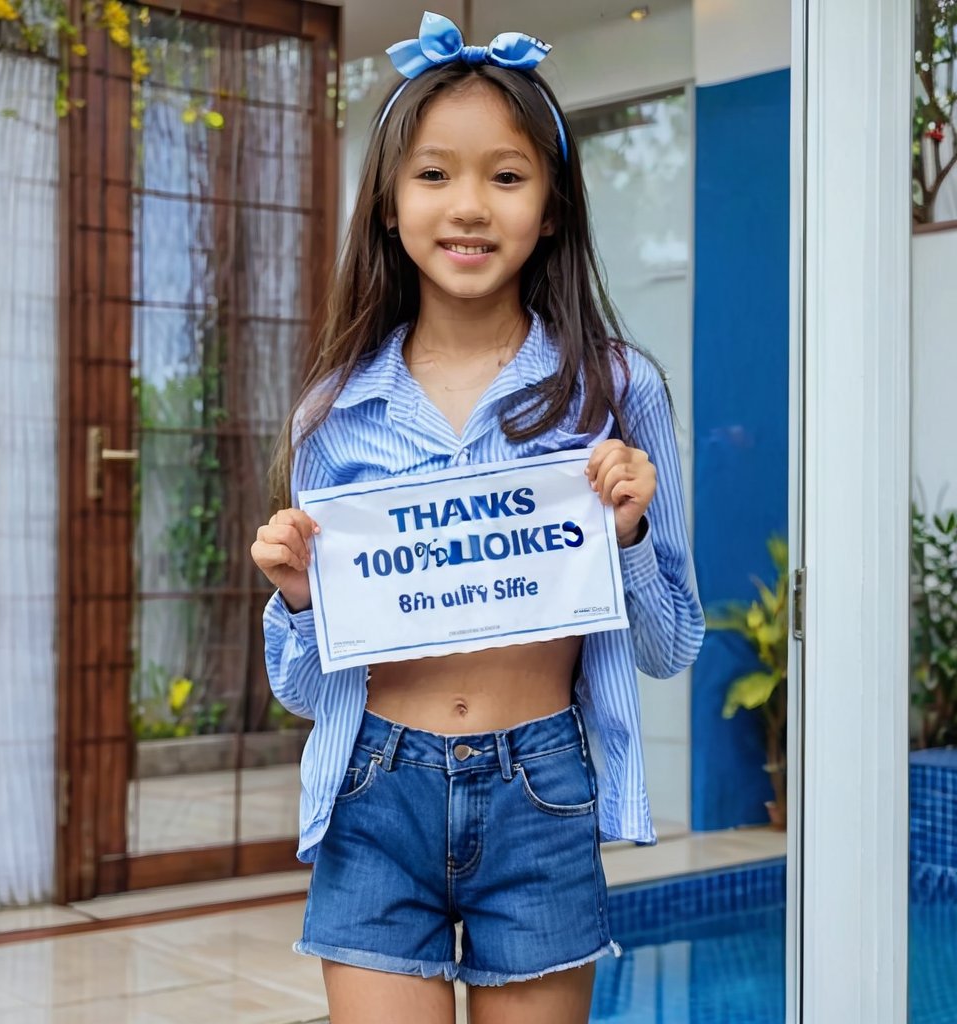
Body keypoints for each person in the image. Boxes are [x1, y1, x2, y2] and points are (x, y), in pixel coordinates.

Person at [251, 12, 704, 1024]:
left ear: (552, 207)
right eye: (433, 175)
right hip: (377, 788)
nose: (468, 206)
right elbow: (298, 687)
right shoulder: (334, 411)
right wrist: (297, 600)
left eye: (505, 176)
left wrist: (626, 537)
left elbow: (672, 642)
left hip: (540, 792)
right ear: (386, 204)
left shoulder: (621, 392)